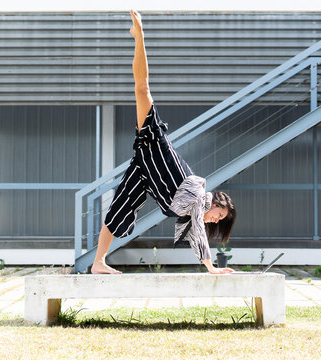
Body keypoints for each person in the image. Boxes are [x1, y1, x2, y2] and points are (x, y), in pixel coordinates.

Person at [91, 9, 236, 275]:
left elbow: (195, 231)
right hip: (155, 146)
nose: (215, 219)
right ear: (214, 201)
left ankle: (97, 262)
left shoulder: (192, 212)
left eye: (219, 220)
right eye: (219, 213)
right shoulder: (199, 196)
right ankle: (139, 36)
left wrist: (209, 264)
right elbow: (199, 231)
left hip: (144, 170)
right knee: (142, 88)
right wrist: (211, 267)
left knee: (118, 209)